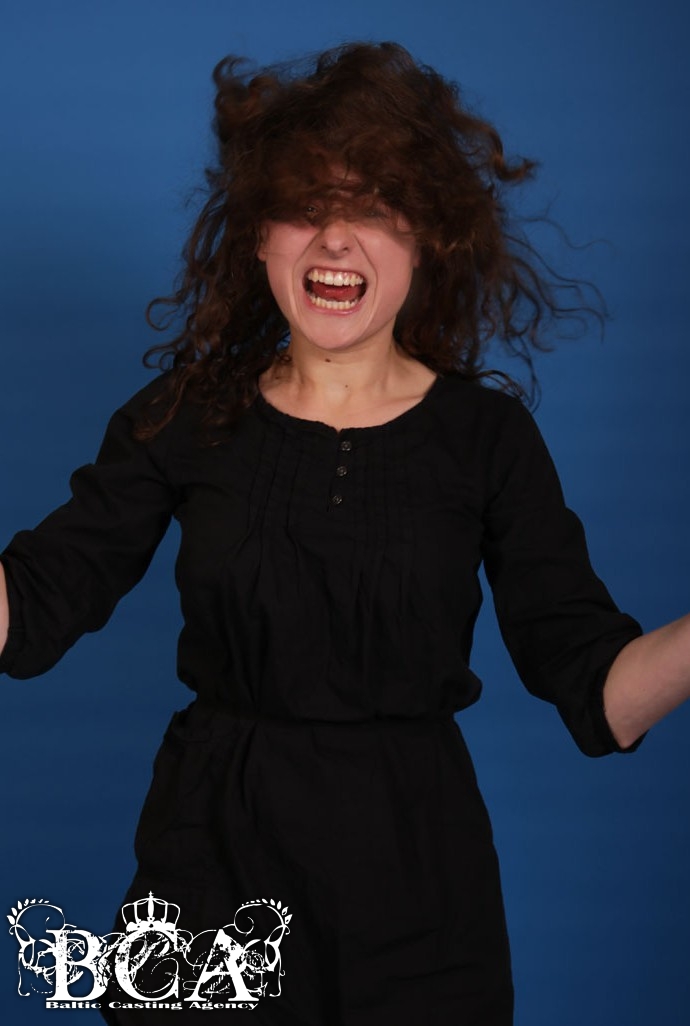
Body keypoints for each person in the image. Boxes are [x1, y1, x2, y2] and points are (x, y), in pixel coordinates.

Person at [0, 40, 688, 1026]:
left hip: (419, 896)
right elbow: (34, 607)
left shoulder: (487, 440)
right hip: (208, 880)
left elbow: (600, 691)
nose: (335, 238)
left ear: (428, 237)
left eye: (374, 207)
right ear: (258, 235)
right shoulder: (183, 418)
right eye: (305, 204)